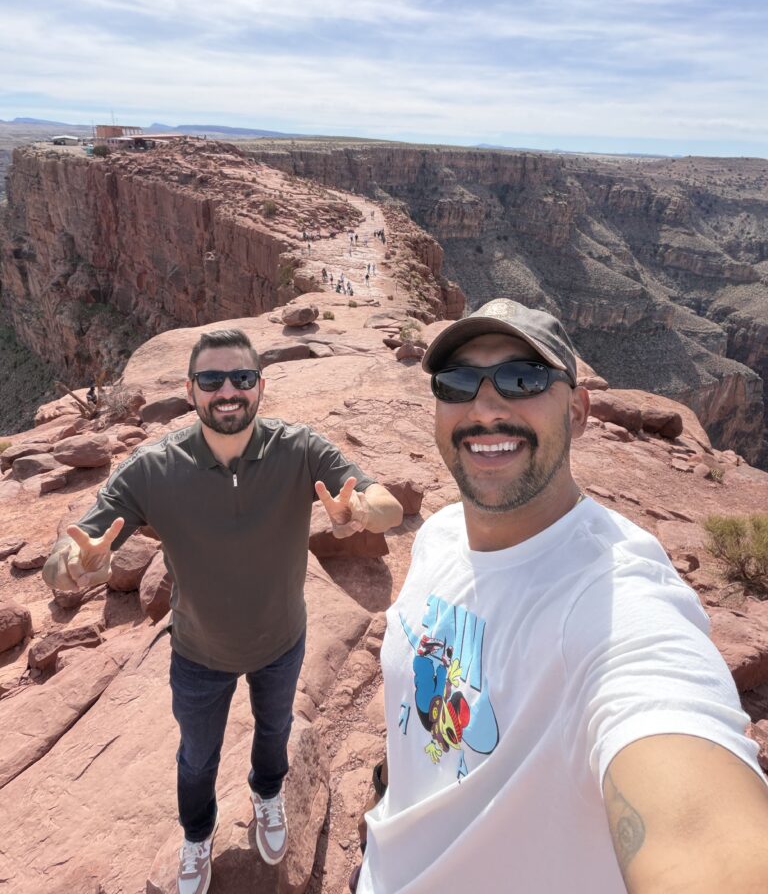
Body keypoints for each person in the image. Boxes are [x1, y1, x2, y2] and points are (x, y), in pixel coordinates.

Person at [353, 299, 768, 893]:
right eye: (459, 383)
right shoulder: (439, 536)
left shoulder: (618, 601)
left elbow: (704, 833)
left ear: (578, 411)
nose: (485, 408)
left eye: (523, 380)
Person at [42, 328, 403, 894]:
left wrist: (361, 510)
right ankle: (197, 834)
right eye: (212, 379)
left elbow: (387, 506)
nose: (227, 390)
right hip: (198, 653)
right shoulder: (153, 469)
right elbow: (65, 555)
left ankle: (267, 794)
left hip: (281, 642)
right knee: (197, 757)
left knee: (275, 731)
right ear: (190, 389)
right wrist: (74, 566)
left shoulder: (299, 450)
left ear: (260, 385)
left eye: (241, 377)